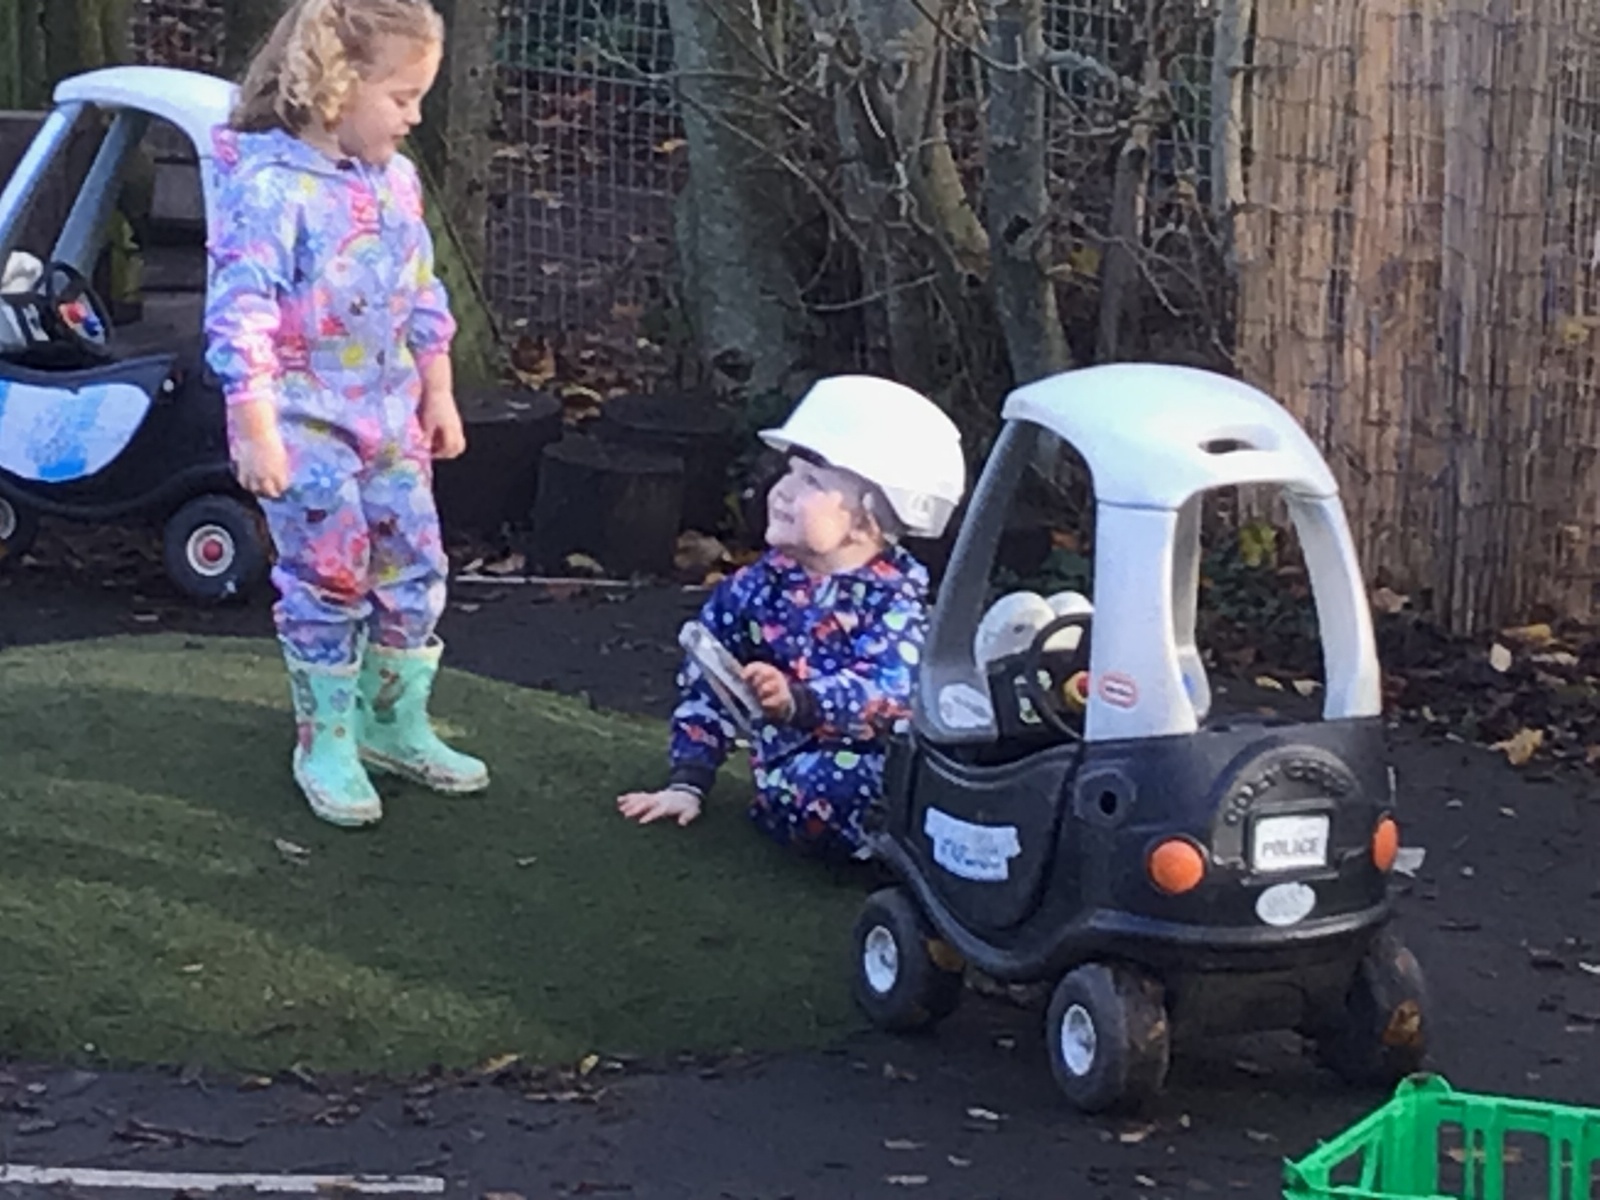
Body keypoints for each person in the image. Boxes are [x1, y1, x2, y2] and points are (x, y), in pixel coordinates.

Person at [204, 0, 486, 828]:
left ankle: (393, 722)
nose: (415, 115)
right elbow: (241, 313)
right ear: (335, 86)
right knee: (328, 575)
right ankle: (324, 739)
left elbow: (422, 294)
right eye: (402, 97)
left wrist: (438, 390)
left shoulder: (395, 181)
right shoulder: (268, 188)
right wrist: (255, 426)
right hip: (304, 428)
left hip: (391, 422)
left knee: (416, 564)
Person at [617, 376, 967, 860]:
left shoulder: (893, 602)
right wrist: (688, 780)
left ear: (867, 520)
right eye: (791, 472)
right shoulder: (760, 585)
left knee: (847, 784)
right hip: (785, 776)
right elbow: (708, 678)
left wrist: (799, 701)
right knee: (804, 791)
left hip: (873, 768)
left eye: (812, 482)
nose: (782, 491)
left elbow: (891, 691)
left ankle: (902, 851)